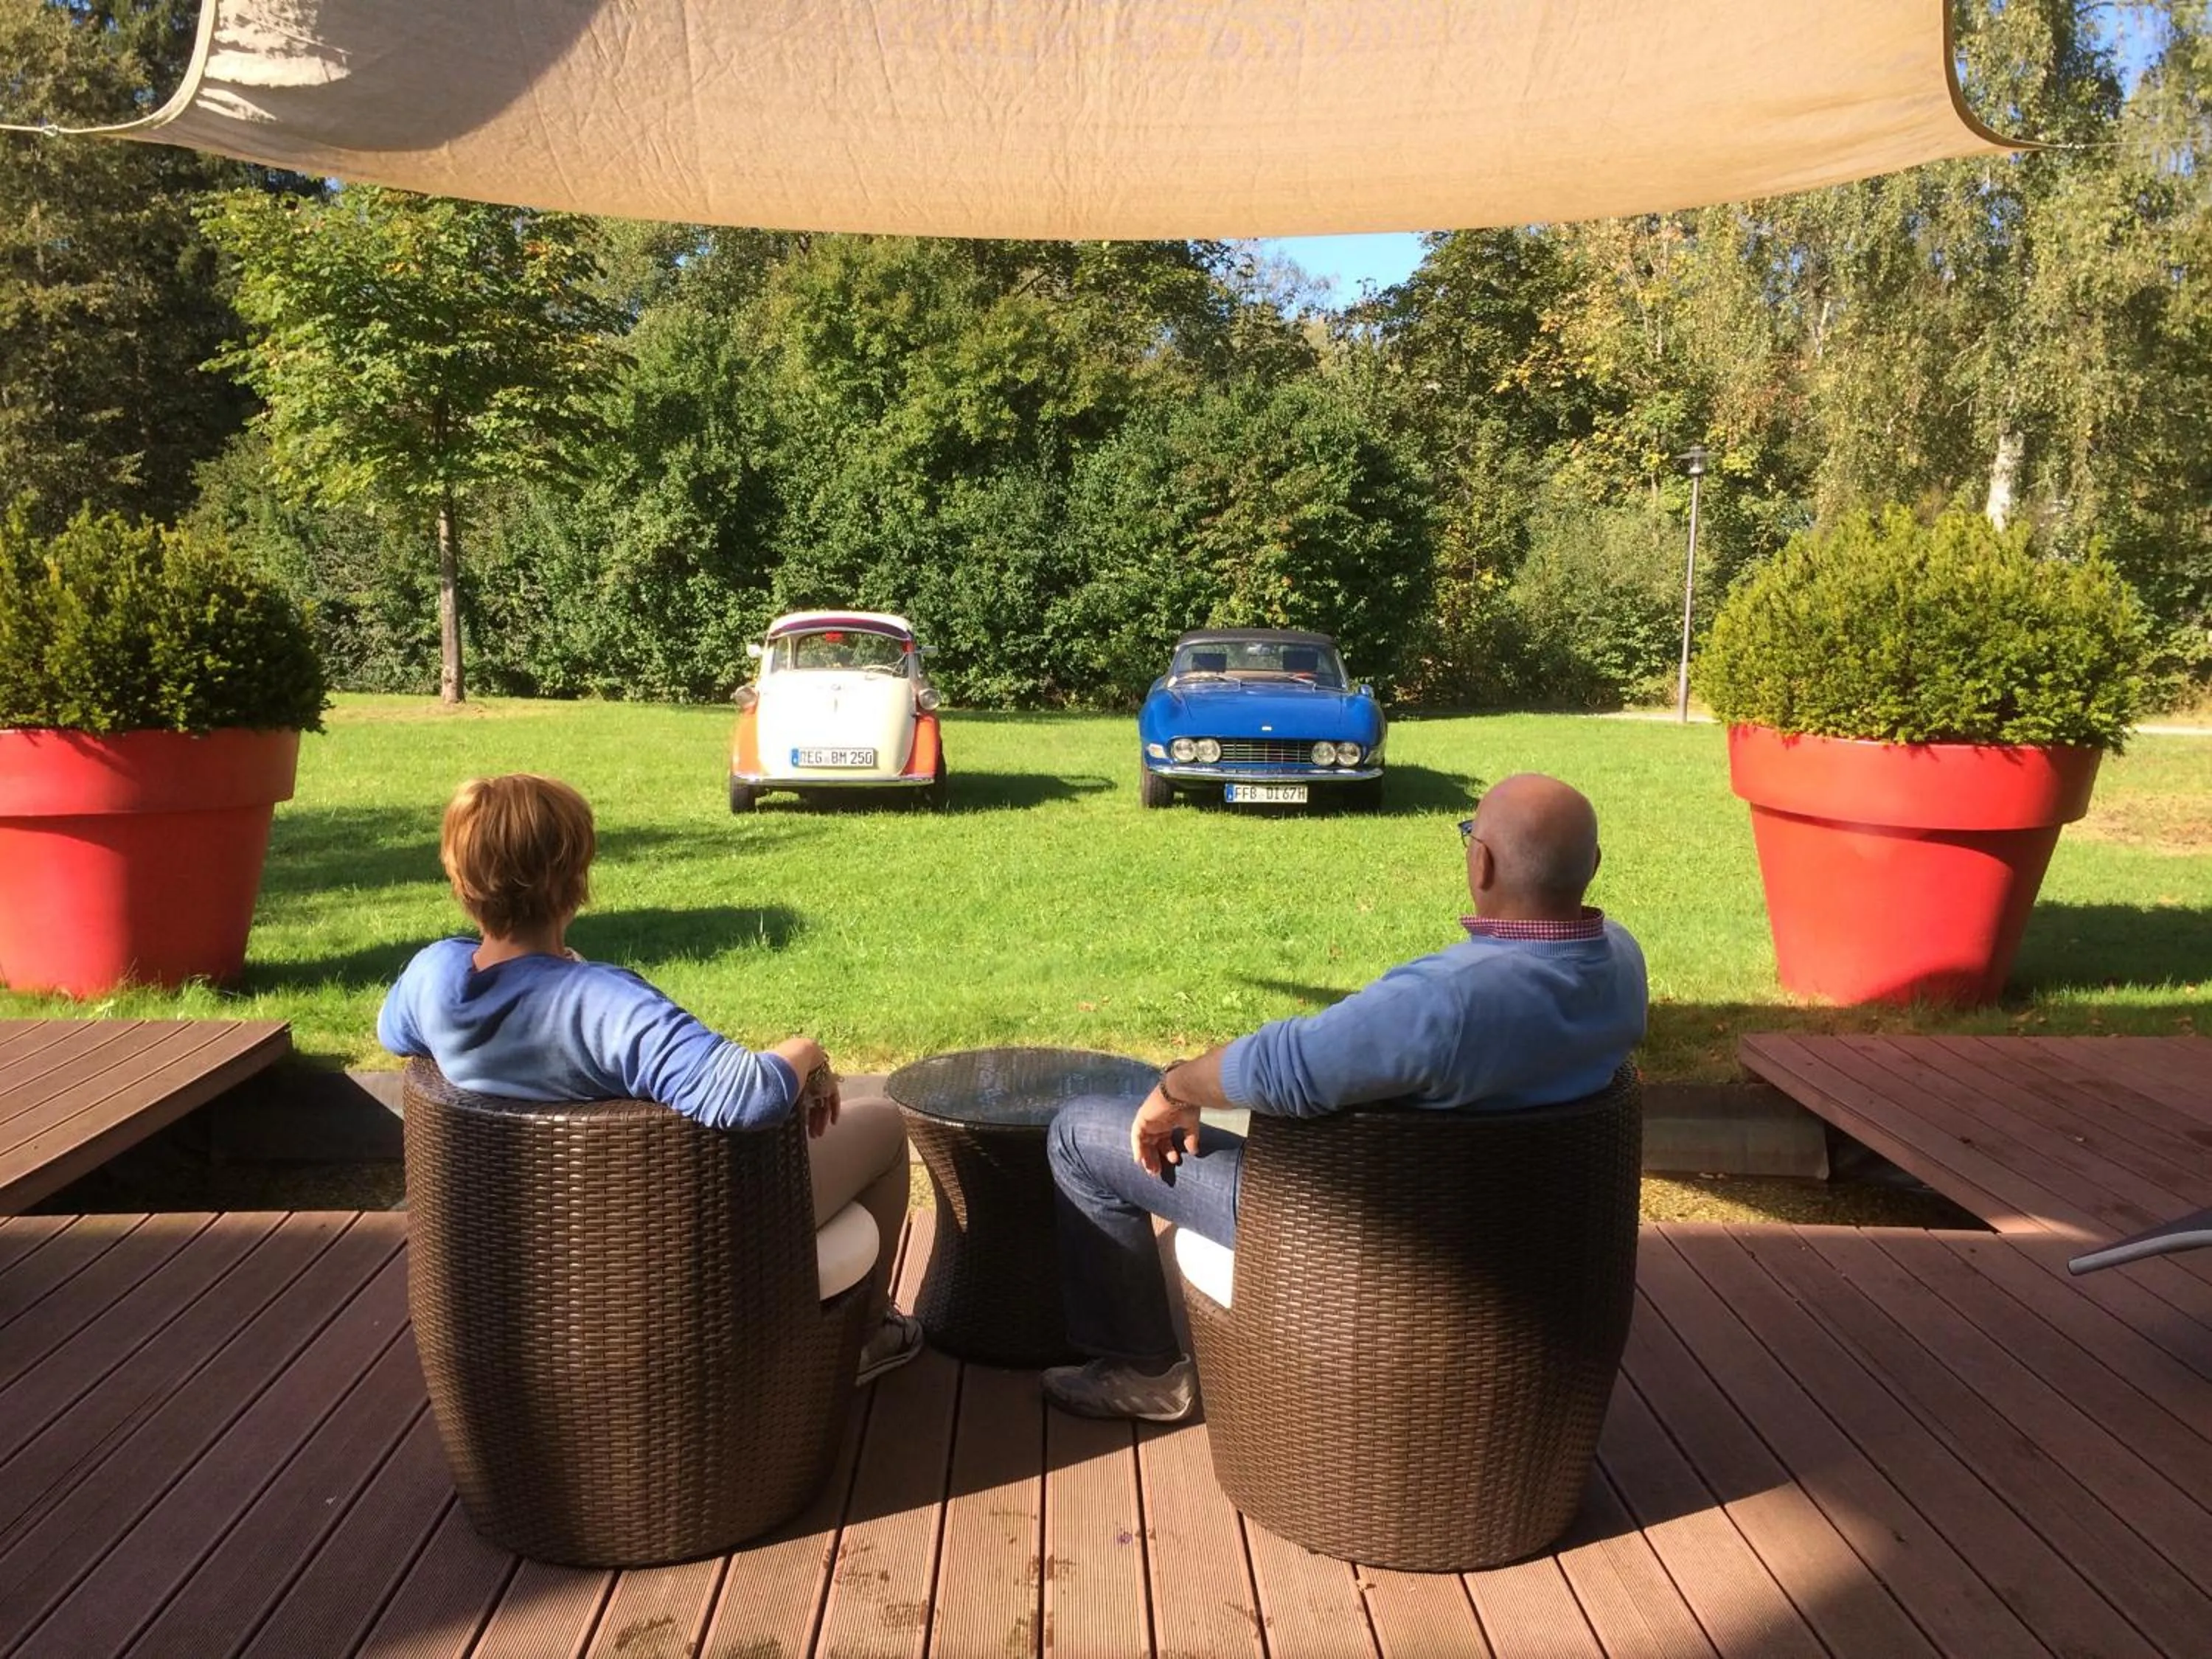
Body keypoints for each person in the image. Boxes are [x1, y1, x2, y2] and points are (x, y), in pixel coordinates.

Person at [1042, 772, 1647, 1422]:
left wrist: (1174, 1087)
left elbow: (1283, 1071)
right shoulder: (1621, 962)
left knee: (1080, 1133)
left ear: (1483, 861)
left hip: (1364, 1239)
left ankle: (1142, 1371)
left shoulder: (1449, 1002)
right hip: (1520, 1232)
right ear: (1593, 867)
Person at [378, 773, 923, 1385]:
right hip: (668, 1241)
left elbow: (395, 1035)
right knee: (880, 1124)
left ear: (461, 881)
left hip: (522, 1247)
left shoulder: (434, 977)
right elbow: (750, 1096)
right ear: (575, 881)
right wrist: (806, 1054)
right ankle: (871, 1338)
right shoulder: (601, 1006)